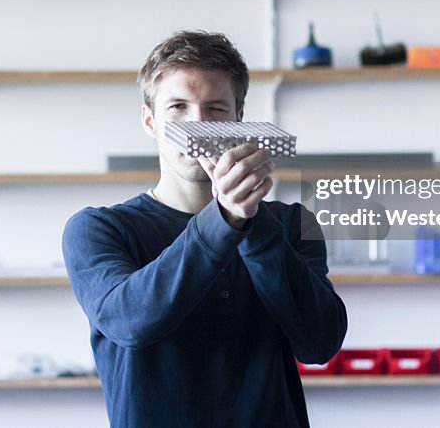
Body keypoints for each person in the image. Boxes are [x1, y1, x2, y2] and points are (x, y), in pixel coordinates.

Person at [62, 30, 348, 428]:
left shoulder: (291, 223)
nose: (197, 127)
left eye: (215, 110)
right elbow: (130, 322)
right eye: (178, 107)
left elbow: (320, 342)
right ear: (150, 121)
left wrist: (250, 220)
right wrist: (225, 219)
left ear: (239, 120)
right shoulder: (98, 229)